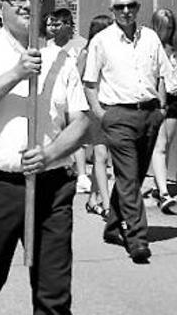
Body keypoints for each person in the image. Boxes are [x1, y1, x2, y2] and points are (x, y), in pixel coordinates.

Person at [0, 0, 89, 313]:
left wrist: (49, 154)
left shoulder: (62, 58)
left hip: (52, 186)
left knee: (54, 295)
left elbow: (82, 122)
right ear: (1, 8)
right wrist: (15, 74)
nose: (28, 5)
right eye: (18, 0)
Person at [82, 0, 176, 264]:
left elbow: (161, 74)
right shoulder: (101, 40)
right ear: (112, 11)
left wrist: (160, 108)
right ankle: (137, 238)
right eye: (120, 7)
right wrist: (102, 115)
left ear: (138, 6)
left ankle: (113, 225)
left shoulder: (150, 37)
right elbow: (89, 82)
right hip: (118, 116)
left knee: (133, 176)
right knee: (128, 177)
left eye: (131, 5)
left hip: (148, 114)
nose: (126, 11)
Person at [148, 8, 177, 213]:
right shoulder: (149, 47)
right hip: (156, 100)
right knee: (160, 145)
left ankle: (159, 186)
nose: (167, 32)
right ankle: (164, 193)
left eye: (170, 28)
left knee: (167, 145)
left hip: (175, 98)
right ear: (156, 27)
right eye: (164, 28)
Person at [46, 8, 92, 196]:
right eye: (52, 25)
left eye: (57, 24)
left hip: (78, 95)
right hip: (57, 96)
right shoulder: (49, 45)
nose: (53, 29)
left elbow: (82, 72)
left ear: (68, 24)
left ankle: (82, 175)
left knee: (76, 135)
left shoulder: (80, 44)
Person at [77, 15, 114, 219]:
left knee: (104, 157)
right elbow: (76, 79)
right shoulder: (87, 52)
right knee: (100, 156)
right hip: (95, 107)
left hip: (113, 106)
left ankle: (93, 200)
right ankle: (107, 205)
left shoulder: (113, 50)